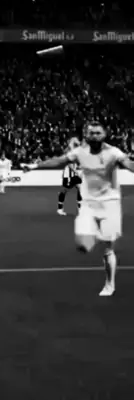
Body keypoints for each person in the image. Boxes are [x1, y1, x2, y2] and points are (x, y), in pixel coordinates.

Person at [23, 122, 134, 297]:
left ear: (105, 134)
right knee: (83, 245)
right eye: (91, 133)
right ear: (86, 135)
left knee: (108, 249)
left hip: (110, 203)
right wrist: (35, 166)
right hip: (89, 203)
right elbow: (59, 161)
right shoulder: (80, 152)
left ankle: (109, 284)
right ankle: (95, 234)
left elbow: (128, 163)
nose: (95, 136)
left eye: (98, 132)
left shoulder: (113, 152)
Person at [57, 138, 83, 215]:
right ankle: (60, 209)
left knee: (80, 189)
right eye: (76, 142)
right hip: (68, 175)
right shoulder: (68, 152)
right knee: (64, 191)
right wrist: (77, 172)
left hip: (75, 174)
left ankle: (80, 209)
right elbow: (69, 164)